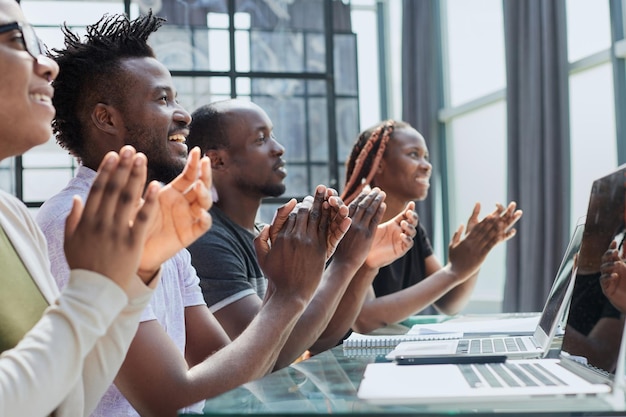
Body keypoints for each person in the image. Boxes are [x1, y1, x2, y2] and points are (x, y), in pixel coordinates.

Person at [36, 12, 347, 417]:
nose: (183, 114)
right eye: (163, 99)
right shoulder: (71, 222)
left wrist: (283, 282)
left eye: (176, 98)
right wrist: (289, 296)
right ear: (106, 118)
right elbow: (166, 398)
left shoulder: (163, 227)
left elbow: (229, 363)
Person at [0, 1, 212, 415]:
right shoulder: (69, 219)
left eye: (39, 46)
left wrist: (134, 281)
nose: (47, 66)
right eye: (14, 40)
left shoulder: (13, 219)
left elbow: (69, 401)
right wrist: (93, 294)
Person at [185, 99, 419, 362]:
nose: (279, 149)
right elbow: (271, 356)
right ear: (217, 161)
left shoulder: (264, 234)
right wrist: (344, 261)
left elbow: (321, 339)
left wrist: (364, 263)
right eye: (261, 140)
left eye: (273, 136)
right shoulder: (207, 240)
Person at [340, 119, 523, 333]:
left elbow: (449, 302)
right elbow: (365, 318)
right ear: (379, 164)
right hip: (340, 362)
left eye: (425, 156)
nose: (426, 165)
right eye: (413, 154)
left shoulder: (412, 229)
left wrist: (475, 255)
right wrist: (455, 270)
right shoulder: (352, 226)